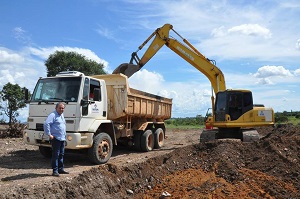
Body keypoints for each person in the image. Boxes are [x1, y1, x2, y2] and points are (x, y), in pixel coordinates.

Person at [44, 102, 69, 177]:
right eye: (60, 108)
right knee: (56, 154)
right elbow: (46, 123)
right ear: (56, 108)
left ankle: (60, 169)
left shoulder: (61, 115)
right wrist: (49, 134)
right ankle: (55, 170)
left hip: (62, 138)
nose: (61, 109)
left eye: (63, 108)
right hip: (56, 138)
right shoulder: (53, 115)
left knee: (61, 154)